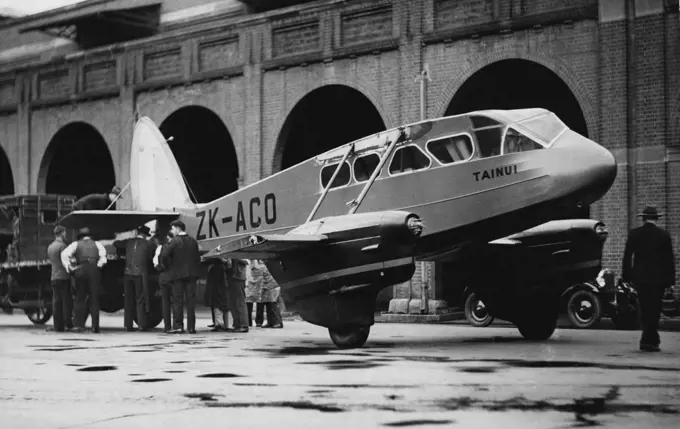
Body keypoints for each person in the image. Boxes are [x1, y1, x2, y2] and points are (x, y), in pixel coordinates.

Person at [622, 206, 676, 352]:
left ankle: (647, 339)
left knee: (644, 308)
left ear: (643, 218)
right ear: (656, 219)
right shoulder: (664, 235)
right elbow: (669, 260)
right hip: (658, 280)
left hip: (640, 278)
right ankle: (651, 340)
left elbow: (627, 257)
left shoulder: (634, 234)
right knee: (655, 309)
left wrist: (627, 277)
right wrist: (671, 282)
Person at [61, 227, 107, 333]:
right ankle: (95, 326)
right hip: (94, 271)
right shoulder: (97, 244)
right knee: (94, 299)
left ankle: (78, 325)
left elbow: (64, 254)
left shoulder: (76, 244)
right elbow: (103, 258)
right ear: (90, 236)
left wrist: (69, 267)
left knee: (79, 298)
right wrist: (97, 265)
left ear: (80, 237)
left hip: (81, 270)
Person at [162, 220, 202, 334]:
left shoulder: (174, 241)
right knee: (191, 301)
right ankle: (191, 327)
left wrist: (169, 266)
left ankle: (178, 326)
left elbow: (165, 255)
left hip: (177, 275)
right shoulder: (193, 241)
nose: (172, 231)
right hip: (192, 275)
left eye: (173, 229)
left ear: (178, 229)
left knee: (177, 301)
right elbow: (197, 258)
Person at [113, 225, 154, 332]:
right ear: (145, 235)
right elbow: (151, 257)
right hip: (140, 274)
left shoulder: (129, 242)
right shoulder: (148, 244)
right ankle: (141, 324)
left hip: (128, 273)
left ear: (137, 233)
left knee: (128, 299)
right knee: (140, 299)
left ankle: (128, 324)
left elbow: (116, 243)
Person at [46, 225, 73, 332]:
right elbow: (67, 261)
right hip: (63, 277)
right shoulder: (63, 246)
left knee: (56, 302)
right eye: (65, 232)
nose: (66, 234)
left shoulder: (50, 246)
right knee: (66, 301)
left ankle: (58, 326)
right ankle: (67, 324)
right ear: (61, 233)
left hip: (54, 277)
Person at [247, 259, 284, 329]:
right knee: (269, 306)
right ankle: (270, 322)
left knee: (273, 305)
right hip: (267, 288)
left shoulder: (263, 267)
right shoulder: (265, 266)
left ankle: (277, 322)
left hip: (272, 287)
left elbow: (258, 278)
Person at [153, 232, 174, 333]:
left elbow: (155, 262)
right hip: (175, 276)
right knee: (176, 302)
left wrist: (160, 269)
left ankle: (167, 326)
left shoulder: (160, 248)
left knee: (165, 303)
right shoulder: (176, 247)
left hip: (163, 276)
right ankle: (177, 325)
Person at [205, 259, 230, 331]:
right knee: (225, 306)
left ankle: (219, 325)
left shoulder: (214, 268)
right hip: (223, 289)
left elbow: (212, 281)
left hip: (217, 290)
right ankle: (227, 324)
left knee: (217, 306)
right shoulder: (224, 267)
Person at [226, 258, 249, 333]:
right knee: (233, 302)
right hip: (231, 276)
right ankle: (237, 324)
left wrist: (234, 257)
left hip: (238, 277)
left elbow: (246, 261)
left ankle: (243, 325)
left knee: (240, 301)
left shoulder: (241, 251)